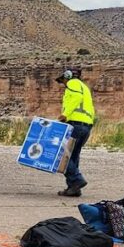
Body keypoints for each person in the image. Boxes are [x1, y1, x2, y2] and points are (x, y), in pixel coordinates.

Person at [55, 68, 95, 197]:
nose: (63, 84)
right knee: (73, 156)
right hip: (86, 125)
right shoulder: (85, 87)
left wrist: (65, 115)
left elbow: (76, 97)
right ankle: (73, 188)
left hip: (76, 125)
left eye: (63, 80)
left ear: (68, 76)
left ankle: (77, 180)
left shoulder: (73, 84)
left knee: (61, 155)